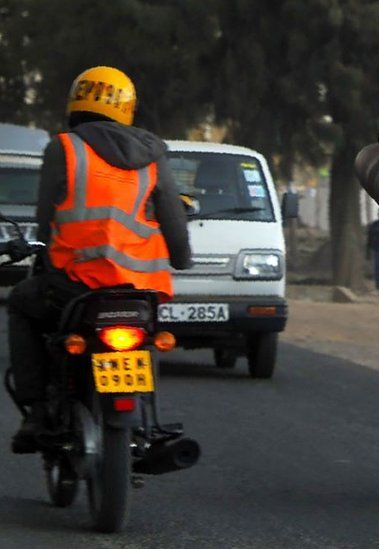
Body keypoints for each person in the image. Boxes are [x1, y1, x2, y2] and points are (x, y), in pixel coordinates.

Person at [9, 66, 192, 451]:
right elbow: (175, 225)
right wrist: (182, 259)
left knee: (23, 304)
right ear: (127, 106)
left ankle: (38, 410)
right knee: (144, 336)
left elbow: (47, 218)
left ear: (77, 101)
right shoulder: (153, 154)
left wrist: (41, 249)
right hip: (140, 289)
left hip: (76, 284)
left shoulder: (66, 148)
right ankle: (145, 419)